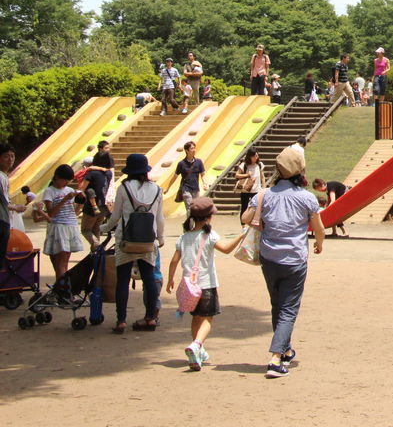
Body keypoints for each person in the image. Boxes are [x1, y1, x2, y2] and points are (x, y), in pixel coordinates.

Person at [242, 147, 325, 378]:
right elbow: (319, 228)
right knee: (288, 308)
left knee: (277, 305)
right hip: (295, 259)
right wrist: (319, 243)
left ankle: (286, 349)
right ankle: (276, 358)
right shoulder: (306, 197)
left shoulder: (265, 195)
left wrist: (264, 220)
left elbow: (245, 218)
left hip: (269, 257)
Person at [166, 197, 245, 371]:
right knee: (208, 319)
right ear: (209, 217)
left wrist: (171, 279)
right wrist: (241, 235)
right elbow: (226, 249)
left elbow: (173, 261)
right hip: (206, 284)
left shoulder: (184, 237)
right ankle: (197, 344)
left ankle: (198, 352)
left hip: (189, 286)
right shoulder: (209, 235)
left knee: (196, 318)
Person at [102, 153, 166, 333]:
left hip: (126, 241)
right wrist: (160, 238)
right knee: (149, 278)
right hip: (148, 241)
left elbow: (115, 217)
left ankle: (121, 320)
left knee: (122, 280)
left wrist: (103, 228)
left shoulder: (124, 188)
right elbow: (160, 218)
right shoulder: (157, 189)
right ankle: (150, 317)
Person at [42, 164, 85, 283]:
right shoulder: (49, 191)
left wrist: (81, 201)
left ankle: (63, 290)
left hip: (71, 226)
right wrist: (65, 199)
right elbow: (51, 213)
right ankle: (62, 291)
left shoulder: (70, 190)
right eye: (65, 180)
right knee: (60, 264)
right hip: (58, 227)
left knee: (65, 263)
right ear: (57, 177)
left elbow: (74, 212)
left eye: (68, 180)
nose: (66, 183)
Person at [174, 141, 206, 216]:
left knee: (196, 208)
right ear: (186, 151)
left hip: (196, 189)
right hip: (186, 189)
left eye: (194, 148)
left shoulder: (199, 162)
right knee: (190, 208)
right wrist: (168, 188)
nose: (194, 150)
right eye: (192, 148)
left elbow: (202, 174)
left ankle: (191, 225)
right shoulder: (181, 163)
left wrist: (204, 183)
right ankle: (190, 226)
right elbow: (175, 176)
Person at [233, 148, 264, 218]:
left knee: (256, 208)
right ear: (250, 156)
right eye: (254, 156)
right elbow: (237, 175)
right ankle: (243, 226)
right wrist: (247, 175)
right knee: (244, 207)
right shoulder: (244, 165)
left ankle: (252, 224)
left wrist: (264, 188)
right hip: (246, 190)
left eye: (257, 155)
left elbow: (263, 177)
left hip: (257, 190)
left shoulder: (259, 165)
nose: (256, 157)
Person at [0, 143, 16, 270]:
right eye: (6, 156)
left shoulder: (4, 176)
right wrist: (16, 207)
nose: (10, 159)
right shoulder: (0, 176)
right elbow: (4, 201)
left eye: (12, 156)